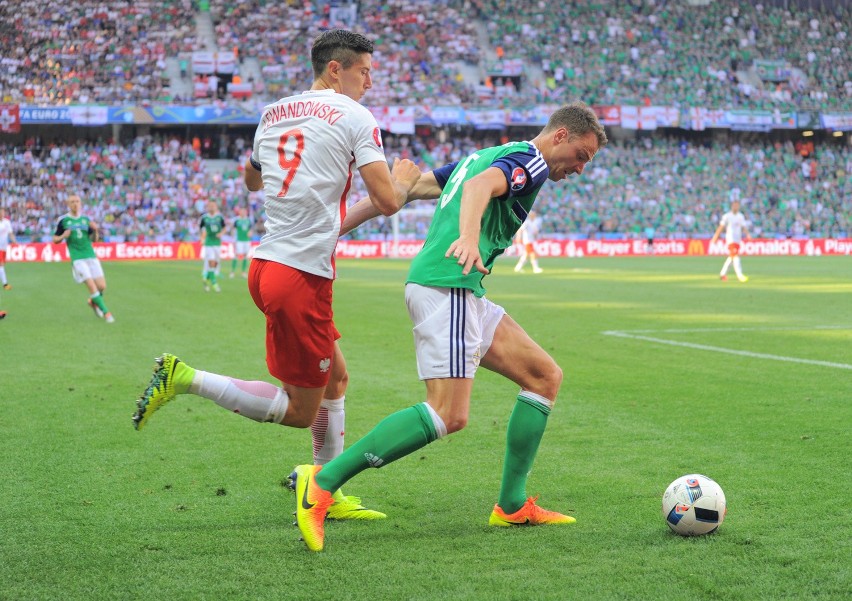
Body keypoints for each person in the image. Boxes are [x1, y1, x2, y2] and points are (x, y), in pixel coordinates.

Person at [289, 101, 608, 551]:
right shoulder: (529, 161)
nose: (579, 168)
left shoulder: (489, 154)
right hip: (448, 284)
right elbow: (479, 188)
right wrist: (469, 235)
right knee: (448, 413)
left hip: (461, 289)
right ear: (561, 136)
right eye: (581, 156)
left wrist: (332, 230)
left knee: (543, 376)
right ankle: (322, 484)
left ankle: (512, 505)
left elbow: (409, 188)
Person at [131, 30, 421, 521]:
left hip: (267, 265)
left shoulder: (273, 112)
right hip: (300, 276)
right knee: (301, 411)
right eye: (365, 71)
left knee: (339, 379)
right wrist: (405, 179)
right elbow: (389, 201)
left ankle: (325, 488)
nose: (370, 81)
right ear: (336, 69)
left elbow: (251, 179)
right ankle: (184, 378)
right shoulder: (355, 117)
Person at [53, 194, 114, 323]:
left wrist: (96, 230)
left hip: (91, 255)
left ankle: (93, 301)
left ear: (80, 203)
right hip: (77, 258)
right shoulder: (63, 220)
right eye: (72, 202)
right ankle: (107, 313)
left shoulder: (86, 220)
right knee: (92, 285)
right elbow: (55, 240)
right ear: (68, 205)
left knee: (102, 286)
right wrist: (63, 235)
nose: (75, 204)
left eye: (77, 201)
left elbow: (94, 240)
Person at [710, 200, 751, 282]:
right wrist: (716, 236)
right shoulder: (727, 216)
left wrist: (748, 234)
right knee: (735, 256)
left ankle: (722, 274)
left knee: (732, 257)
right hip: (730, 239)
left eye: (737, 205)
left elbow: (744, 227)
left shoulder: (740, 216)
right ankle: (740, 275)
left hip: (737, 239)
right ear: (732, 206)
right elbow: (721, 227)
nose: (736, 207)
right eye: (734, 205)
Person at [199, 200, 225, 292]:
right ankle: (214, 283)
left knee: (216, 263)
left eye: (213, 206)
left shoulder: (220, 217)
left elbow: (224, 228)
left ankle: (206, 278)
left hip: (217, 243)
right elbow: (202, 230)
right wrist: (202, 239)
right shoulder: (204, 218)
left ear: (216, 207)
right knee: (211, 262)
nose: (211, 207)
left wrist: (221, 233)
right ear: (207, 207)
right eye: (210, 206)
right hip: (209, 243)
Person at [229, 206, 252, 279]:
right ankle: (232, 272)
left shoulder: (248, 220)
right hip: (239, 241)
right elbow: (233, 230)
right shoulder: (236, 220)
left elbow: (250, 229)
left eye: (244, 211)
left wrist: (250, 233)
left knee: (245, 255)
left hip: (246, 240)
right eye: (242, 211)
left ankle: (243, 272)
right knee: (236, 255)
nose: (243, 212)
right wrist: (233, 239)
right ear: (239, 212)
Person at [0, 207, 17, 290]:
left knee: (2, 265)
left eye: (2, 212)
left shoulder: (7, 222)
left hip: (4, 248)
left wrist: (14, 241)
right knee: (1, 265)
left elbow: (10, 233)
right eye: (0, 212)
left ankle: (5, 283)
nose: (1, 214)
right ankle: (5, 284)